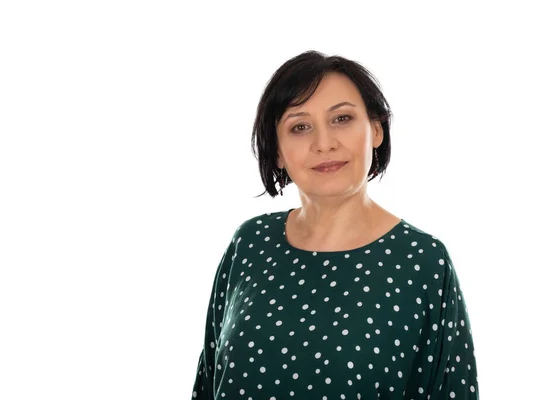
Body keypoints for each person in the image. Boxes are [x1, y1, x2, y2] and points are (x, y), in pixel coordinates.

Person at [190, 50, 479, 399]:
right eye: (300, 126)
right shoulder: (250, 243)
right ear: (278, 151)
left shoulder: (423, 260)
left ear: (375, 129)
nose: (324, 143)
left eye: (341, 119)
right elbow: (207, 384)